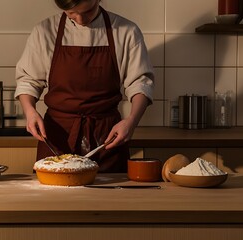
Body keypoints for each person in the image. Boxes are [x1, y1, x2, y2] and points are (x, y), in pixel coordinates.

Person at [15, 0, 154, 173]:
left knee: (111, 197)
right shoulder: (45, 31)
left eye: (87, 11)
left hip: (107, 138)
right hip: (57, 137)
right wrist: (30, 111)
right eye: (71, 13)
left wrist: (132, 121)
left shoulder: (126, 31)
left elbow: (140, 82)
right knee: (52, 199)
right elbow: (28, 80)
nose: (80, 19)